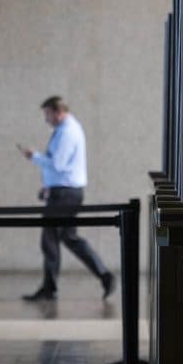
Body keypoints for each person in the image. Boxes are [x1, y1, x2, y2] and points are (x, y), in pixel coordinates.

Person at [17, 96, 115, 301]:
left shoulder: (67, 132)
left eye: (47, 114)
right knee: (68, 238)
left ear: (58, 111)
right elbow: (60, 167)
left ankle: (50, 288)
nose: (46, 119)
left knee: (50, 239)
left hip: (64, 194)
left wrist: (34, 156)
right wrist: (48, 188)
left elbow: (58, 164)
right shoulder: (66, 130)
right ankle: (104, 276)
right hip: (64, 192)